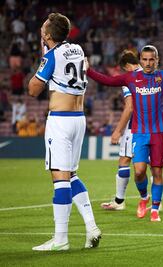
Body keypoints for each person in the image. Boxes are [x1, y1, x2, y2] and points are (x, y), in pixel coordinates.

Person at [27, 13, 101, 251]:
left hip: (59, 120)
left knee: (60, 178)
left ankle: (60, 239)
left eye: (43, 28)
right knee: (71, 175)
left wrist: (44, 58)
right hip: (79, 118)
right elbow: (84, 66)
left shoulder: (51, 56)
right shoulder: (78, 49)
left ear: (48, 35)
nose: (41, 30)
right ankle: (91, 227)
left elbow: (32, 90)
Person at [87, 45, 163, 222]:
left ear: (157, 60)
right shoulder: (131, 78)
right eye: (145, 59)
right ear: (140, 60)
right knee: (139, 171)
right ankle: (144, 198)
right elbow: (107, 81)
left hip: (159, 133)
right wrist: (88, 70)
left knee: (157, 172)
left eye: (152, 59)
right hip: (140, 133)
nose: (148, 63)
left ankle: (155, 210)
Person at [100, 51, 141, 211]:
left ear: (126, 67)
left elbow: (129, 107)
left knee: (124, 160)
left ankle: (119, 201)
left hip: (135, 127)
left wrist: (118, 131)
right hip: (154, 126)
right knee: (154, 165)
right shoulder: (151, 75)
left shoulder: (129, 79)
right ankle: (156, 203)